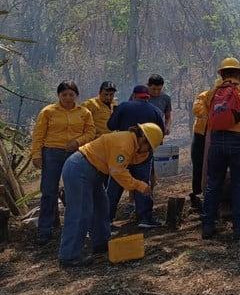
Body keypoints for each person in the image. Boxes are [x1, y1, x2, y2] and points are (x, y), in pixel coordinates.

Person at [58, 123, 163, 267]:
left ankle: (101, 244)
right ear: (143, 139)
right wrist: (140, 185)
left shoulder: (132, 142)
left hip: (93, 171)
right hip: (80, 169)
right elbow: (118, 172)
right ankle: (69, 256)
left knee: (101, 207)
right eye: (149, 147)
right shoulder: (124, 144)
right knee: (80, 212)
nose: (148, 151)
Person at [193, 57, 240, 240]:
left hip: (216, 142)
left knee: (213, 183)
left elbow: (207, 114)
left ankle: (208, 226)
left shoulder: (211, 93)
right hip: (239, 143)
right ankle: (239, 228)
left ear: (222, 74)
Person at [30, 81, 95, 246]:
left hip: (75, 154)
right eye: (64, 94)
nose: (67, 98)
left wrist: (78, 141)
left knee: (76, 190)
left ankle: (79, 229)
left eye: (71, 95)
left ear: (76, 96)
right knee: (48, 191)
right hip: (51, 153)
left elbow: (91, 132)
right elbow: (38, 135)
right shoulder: (48, 112)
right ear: (58, 95)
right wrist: (36, 155)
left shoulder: (84, 112)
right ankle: (45, 231)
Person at [107, 85, 165, 228]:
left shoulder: (123, 106)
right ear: (148, 97)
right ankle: (145, 218)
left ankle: (106, 219)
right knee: (142, 184)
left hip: (123, 152)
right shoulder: (155, 110)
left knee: (115, 185)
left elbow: (110, 125)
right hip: (143, 156)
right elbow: (160, 135)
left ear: (134, 95)